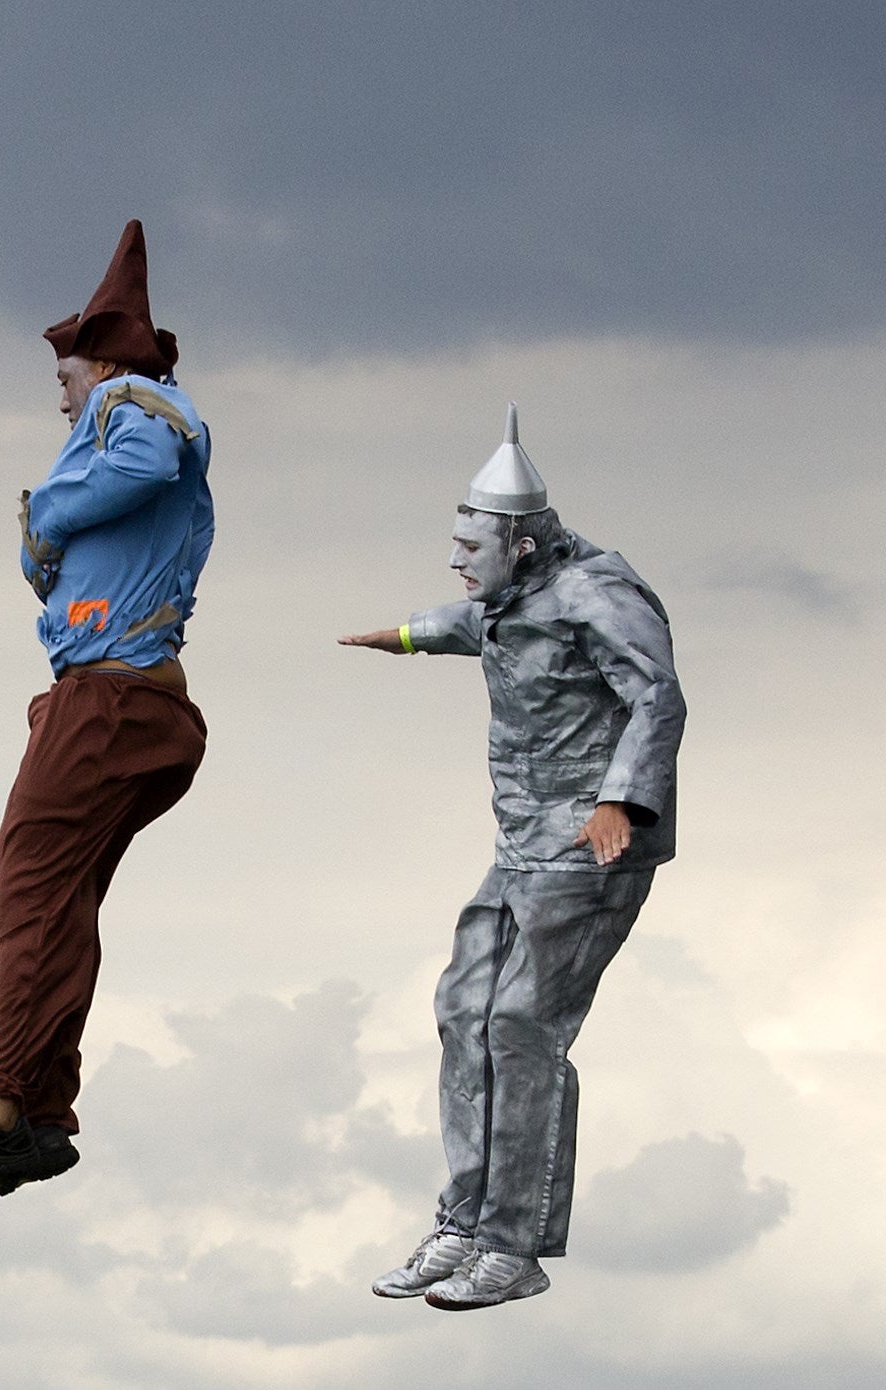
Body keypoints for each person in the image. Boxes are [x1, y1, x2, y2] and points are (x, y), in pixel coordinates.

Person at [0, 219, 213, 1201]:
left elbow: (147, 456)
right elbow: (80, 585)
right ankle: (37, 1110)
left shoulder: (132, 398)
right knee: (52, 902)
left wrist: (50, 517)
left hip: (107, 704)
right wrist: (52, 556)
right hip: (123, 700)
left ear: (98, 364)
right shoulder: (125, 429)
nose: (63, 400)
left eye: (63, 380)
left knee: (23, 893)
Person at [340, 404, 684, 1309]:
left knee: (523, 1025)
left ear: (523, 545)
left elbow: (656, 696)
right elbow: (483, 622)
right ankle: (463, 1223)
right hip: (522, 842)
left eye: (473, 544)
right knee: (464, 1009)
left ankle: (511, 1243)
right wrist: (407, 635)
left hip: (589, 843)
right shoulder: (517, 594)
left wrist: (621, 799)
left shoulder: (597, 592)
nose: (458, 557)